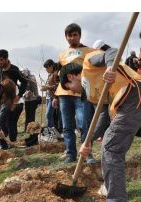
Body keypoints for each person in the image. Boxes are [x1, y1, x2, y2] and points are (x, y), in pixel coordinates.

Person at [60, 46, 141, 202]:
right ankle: (111, 187)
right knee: (110, 144)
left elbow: (112, 52)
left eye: (70, 87)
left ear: (71, 77)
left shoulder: (89, 64)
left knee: (110, 147)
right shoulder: (93, 92)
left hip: (136, 96)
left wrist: (109, 68)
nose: (74, 92)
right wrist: (89, 140)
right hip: (134, 106)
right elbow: (103, 117)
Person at [54, 23, 94, 164]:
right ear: (66, 37)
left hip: (81, 93)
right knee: (67, 126)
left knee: (84, 124)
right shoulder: (62, 54)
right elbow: (58, 74)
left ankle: (87, 154)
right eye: (69, 35)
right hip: (64, 93)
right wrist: (55, 96)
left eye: (74, 34)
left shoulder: (89, 50)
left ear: (79, 35)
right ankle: (71, 154)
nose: (72, 37)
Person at [0, 49, 27, 149]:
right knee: (2, 122)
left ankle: (12, 143)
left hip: (14, 99)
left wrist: (19, 96)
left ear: (7, 59)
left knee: (11, 122)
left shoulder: (14, 69)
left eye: (1, 60)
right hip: (4, 99)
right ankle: (3, 144)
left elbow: (24, 82)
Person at [42, 59, 62, 133]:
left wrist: (48, 87)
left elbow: (59, 85)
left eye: (47, 68)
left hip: (54, 97)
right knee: (50, 115)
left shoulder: (56, 73)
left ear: (51, 66)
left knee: (49, 115)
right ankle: (52, 130)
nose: (46, 70)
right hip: (49, 96)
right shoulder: (51, 73)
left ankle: (51, 131)